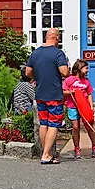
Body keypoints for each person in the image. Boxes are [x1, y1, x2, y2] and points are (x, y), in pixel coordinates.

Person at [25, 28, 69, 165]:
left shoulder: (35, 53)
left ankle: (47, 153)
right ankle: (46, 154)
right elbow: (64, 72)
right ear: (57, 38)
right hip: (54, 94)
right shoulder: (58, 53)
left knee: (43, 123)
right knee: (54, 124)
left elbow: (28, 72)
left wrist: (36, 78)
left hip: (40, 93)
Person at [63, 60, 95, 159]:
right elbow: (63, 91)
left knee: (89, 125)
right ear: (79, 68)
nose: (87, 70)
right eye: (86, 68)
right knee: (75, 127)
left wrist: (91, 107)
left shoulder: (86, 81)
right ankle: (77, 148)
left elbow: (90, 94)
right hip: (72, 106)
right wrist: (71, 92)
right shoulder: (69, 80)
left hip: (84, 107)